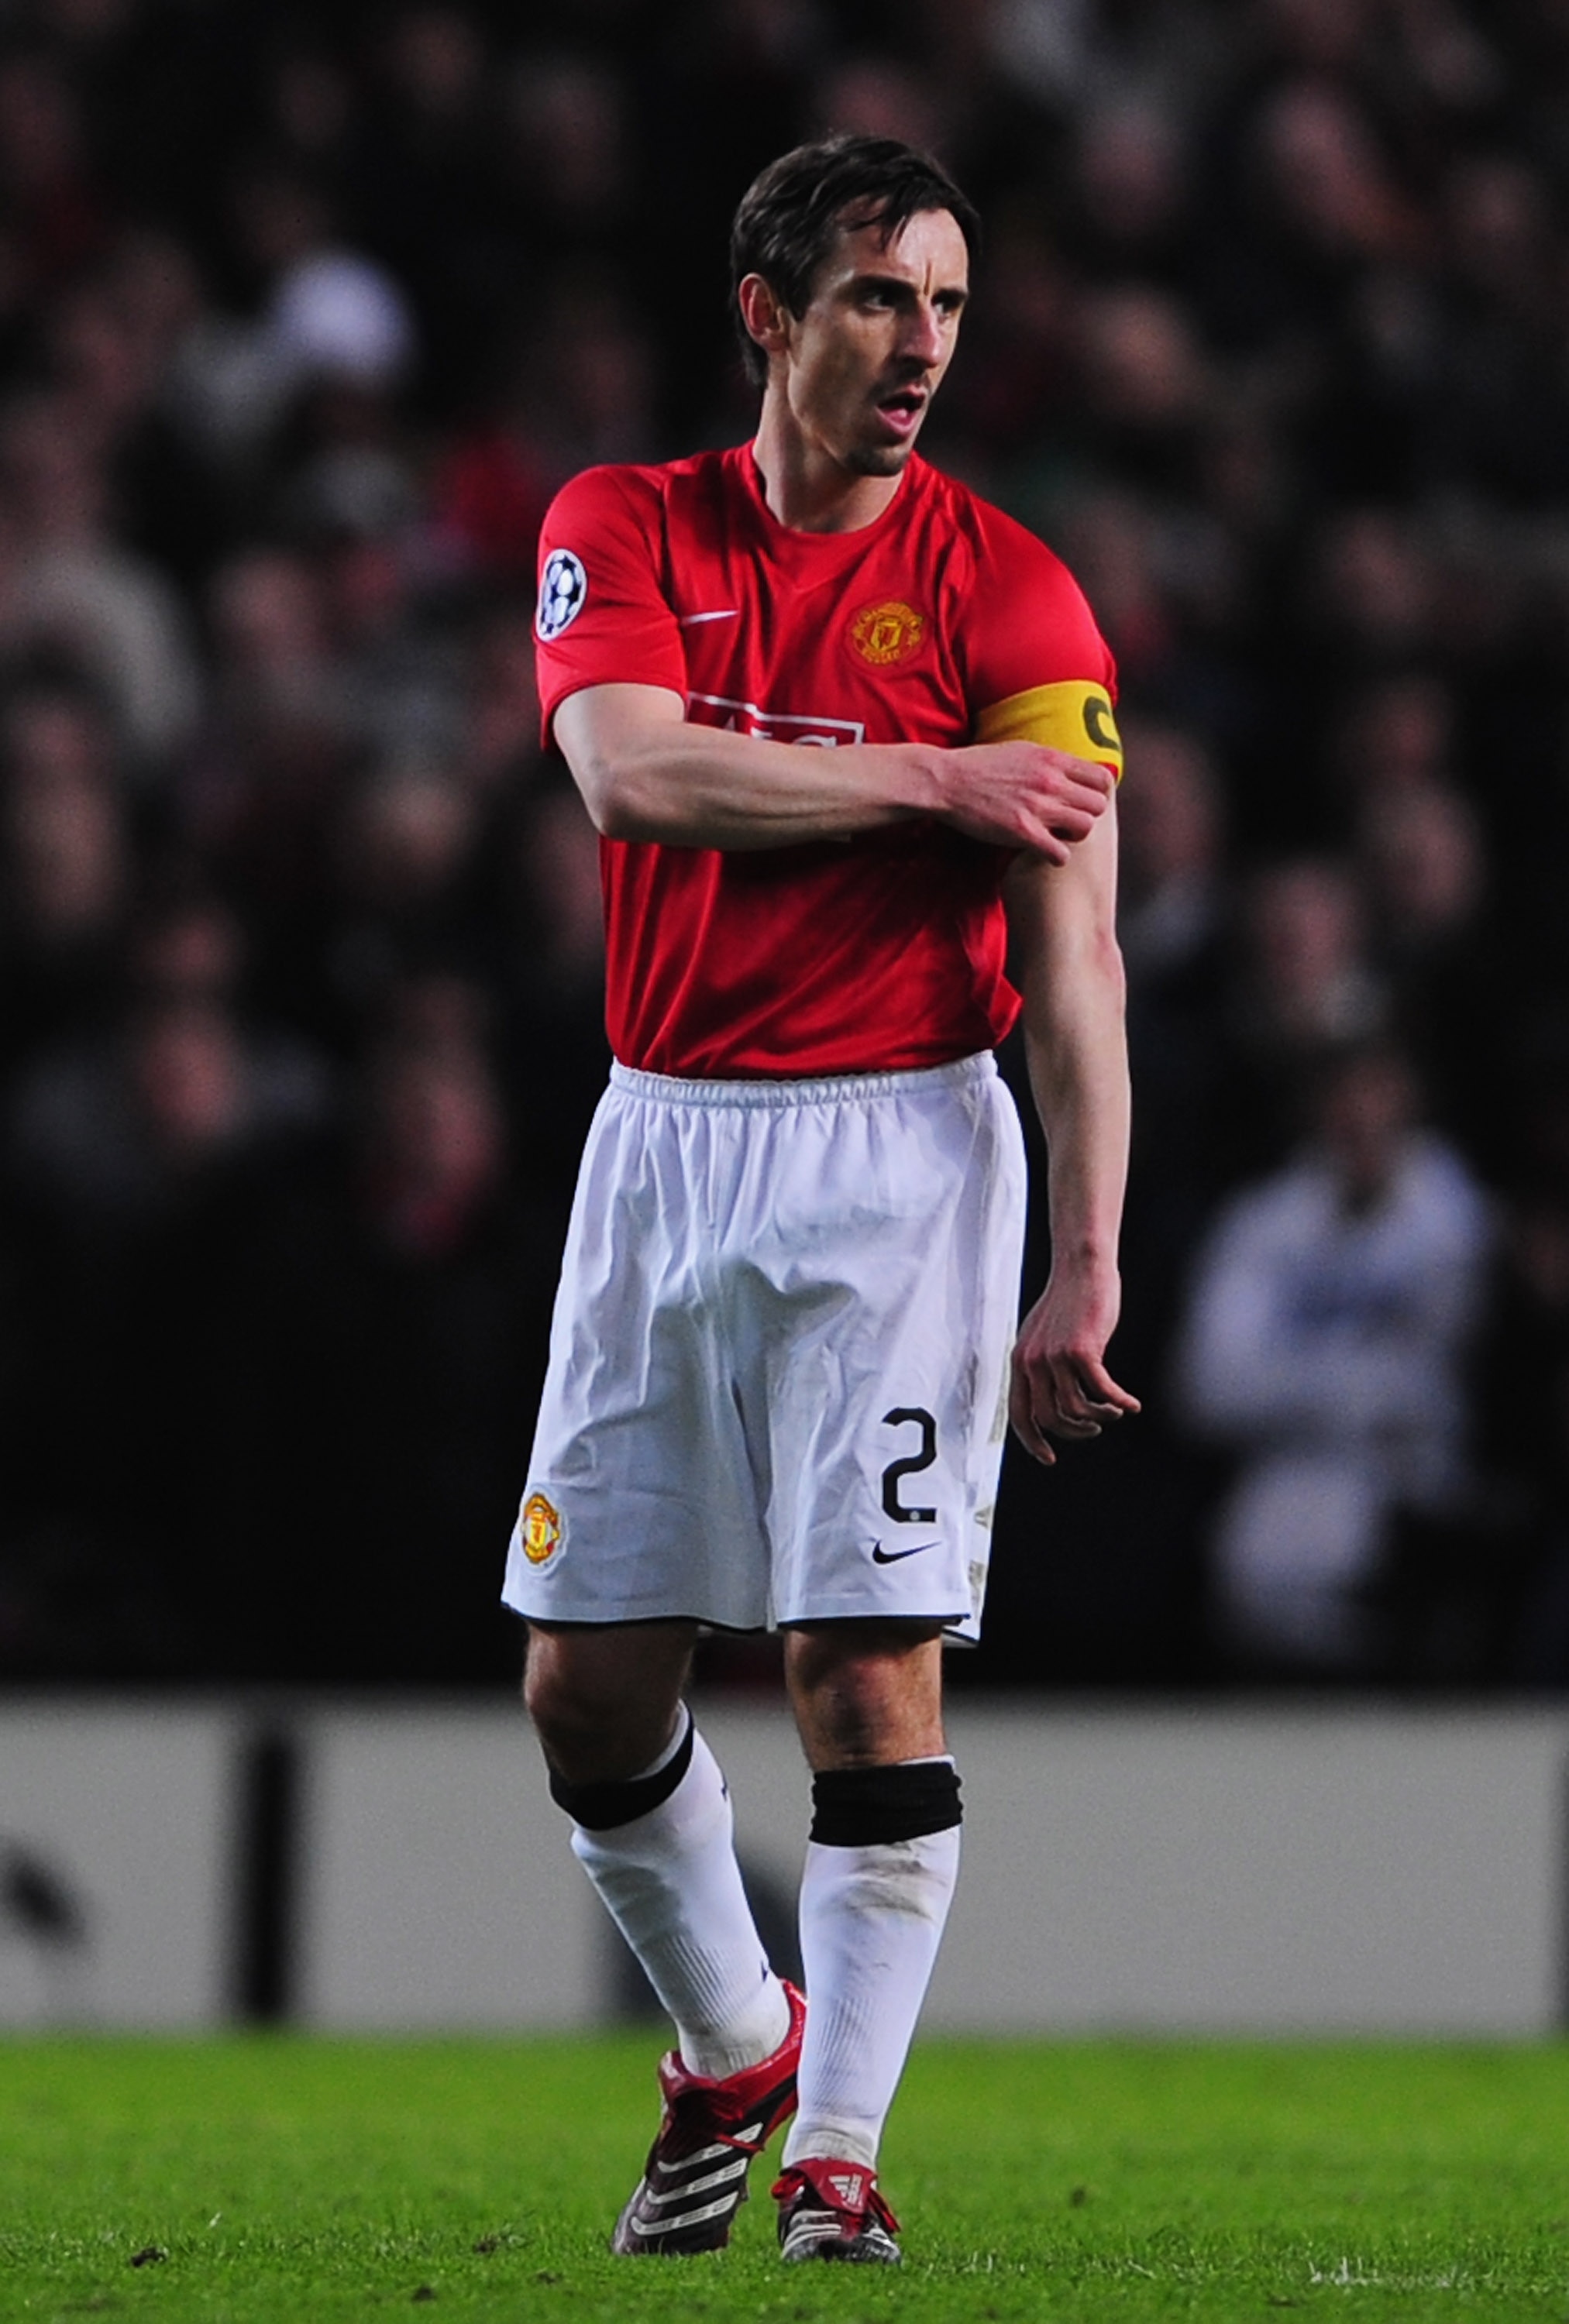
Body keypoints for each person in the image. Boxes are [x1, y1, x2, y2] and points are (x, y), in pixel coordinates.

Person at [504, 134, 1137, 2265]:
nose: (921, 347)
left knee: (859, 1673)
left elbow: (1076, 960)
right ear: (769, 314)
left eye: (947, 305)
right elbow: (632, 771)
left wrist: (1083, 1254)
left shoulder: (1018, 592)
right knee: (582, 1686)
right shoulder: (621, 525)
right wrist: (926, 779)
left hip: (895, 1155)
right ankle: (733, 2043)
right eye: (879, 298)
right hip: (664, 1138)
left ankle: (839, 2159)